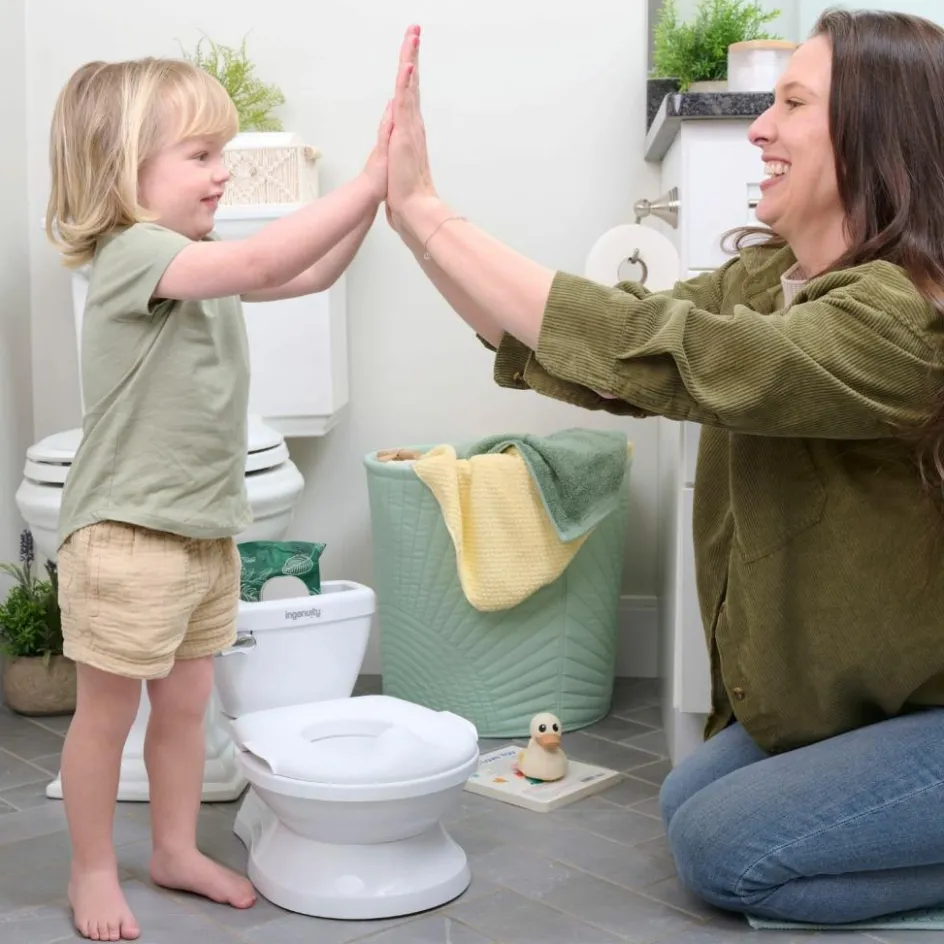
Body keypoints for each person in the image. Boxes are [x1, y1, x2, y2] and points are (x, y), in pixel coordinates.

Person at [383, 11, 944, 925]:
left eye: (793, 104)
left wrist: (435, 217)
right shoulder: (769, 281)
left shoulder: (902, 321)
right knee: (691, 803)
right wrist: (416, 231)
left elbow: (674, 352)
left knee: (723, 850)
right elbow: (611, 357)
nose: (760, 129)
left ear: (873, 132)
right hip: (886, 703)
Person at [46, 58, 392, 941]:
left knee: (186, 707)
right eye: (200, 155)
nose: (222, 172)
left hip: (201, 530)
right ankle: (92, 868)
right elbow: (270, 254)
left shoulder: (193, 263)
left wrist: (381, 198)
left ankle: (172, 849)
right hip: (127, 535)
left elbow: (305, 275)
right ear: (125, 170)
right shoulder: (135, 253)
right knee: (108, 716)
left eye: (222, 154)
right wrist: (365, 184)